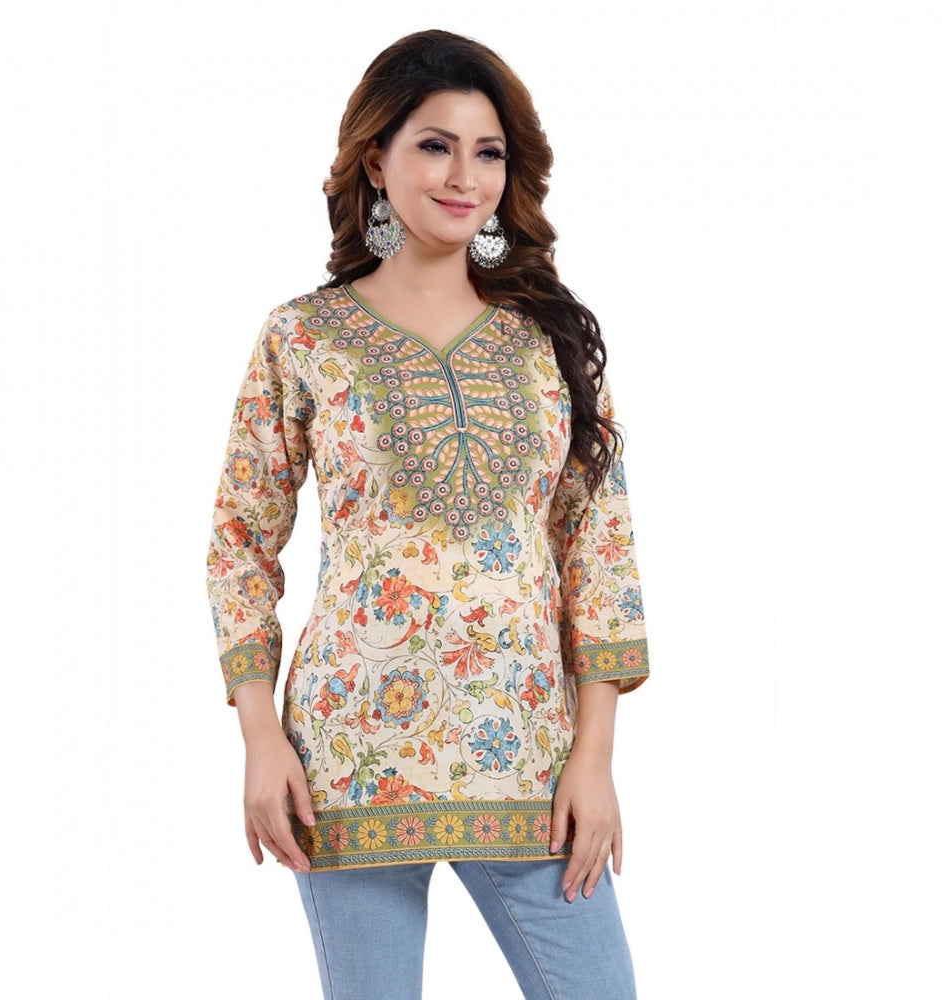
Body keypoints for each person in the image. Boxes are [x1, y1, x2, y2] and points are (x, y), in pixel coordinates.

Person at [205, 29, 650, 1000]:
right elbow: (240, 538)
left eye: (487, 152)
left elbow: (599, 549)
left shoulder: (548, 340)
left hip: (528, 761)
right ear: (376, 160)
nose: (464, 177)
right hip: (350, 757)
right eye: (435, 146)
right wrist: (259, 738)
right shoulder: (305, 337)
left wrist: (596, 757)